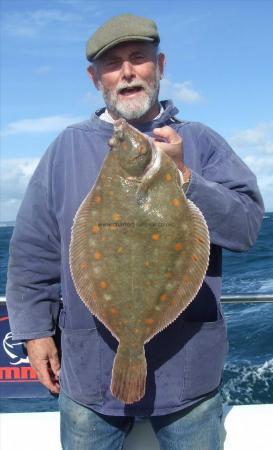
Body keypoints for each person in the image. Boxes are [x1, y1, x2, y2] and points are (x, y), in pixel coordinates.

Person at [6, 13, 264, 450]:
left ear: (159, 66)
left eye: (139, 58)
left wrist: (185, 175)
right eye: (113, 63)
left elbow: (245, 229)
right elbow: (32, 252)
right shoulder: (66, 148)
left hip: (189, 378)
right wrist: (33, 331)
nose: (127, 71)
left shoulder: (201, 142)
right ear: (95, 77)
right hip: (89, 379)